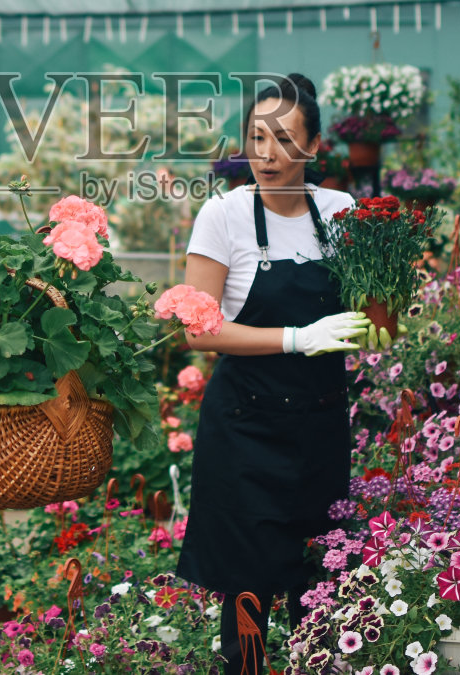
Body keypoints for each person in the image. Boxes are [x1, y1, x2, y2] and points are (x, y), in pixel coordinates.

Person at [175, 73, 375, 675]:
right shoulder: (224, 216)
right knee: (248, 593)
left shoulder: (341, 212)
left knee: (322, 589)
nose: (267, 154)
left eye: (285, 140)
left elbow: (371, 305)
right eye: (257, 138)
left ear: (313, 147)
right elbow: (198, 328)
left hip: (318, 430)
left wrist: (380, 323)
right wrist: (296, 338)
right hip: (245, 433)